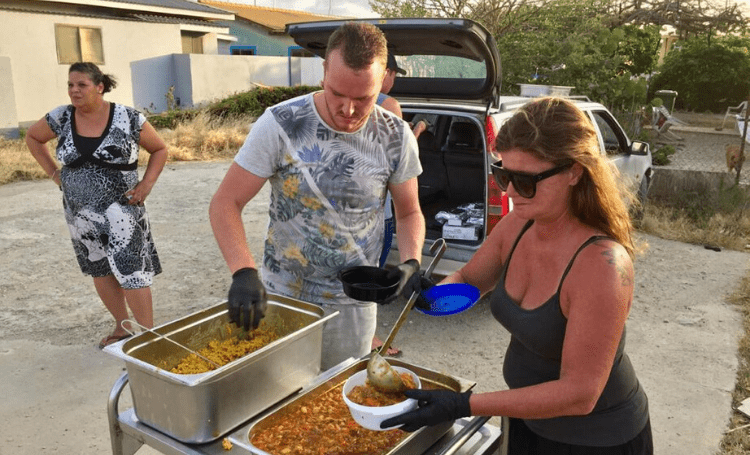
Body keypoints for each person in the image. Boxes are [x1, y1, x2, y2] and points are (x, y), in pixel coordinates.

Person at [382, 97, 653, 454]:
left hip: (596, 439)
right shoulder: (519, 223)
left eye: (525, 180)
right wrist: (423, 296)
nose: (508, 191)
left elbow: (580, 394)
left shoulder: (601, 265)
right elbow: (469, 281)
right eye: (503, 173)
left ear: (575, 171)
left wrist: (464, 405)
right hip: (526, 418)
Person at [209, 21, 426, 371]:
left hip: (352, 304)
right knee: (277, 397)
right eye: (338, 94)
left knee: (337, 401)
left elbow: (409, 213)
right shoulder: (281, 123)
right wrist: (243, 271)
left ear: (385, 80)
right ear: (324, 70)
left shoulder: (395, 136)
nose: (349, 110)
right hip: (283, 295)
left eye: (363, 98)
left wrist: (411, 261)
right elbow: (225, 203)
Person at [25, 62, 167, 349]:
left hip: (123, 209)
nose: (74, 91)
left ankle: (148, 337)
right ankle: (122, 326)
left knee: (131, 268)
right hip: (80, 213)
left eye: (82, 85)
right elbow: (33, 137)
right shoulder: (61, 117)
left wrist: (146, 185)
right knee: (99, 268)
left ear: (99, 87)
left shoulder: (128, 117)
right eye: (70, 85)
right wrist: (55, 174)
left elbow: (159, 149)